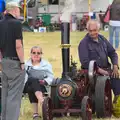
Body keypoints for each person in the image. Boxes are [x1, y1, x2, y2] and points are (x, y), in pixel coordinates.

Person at [78, 20, 120, 100]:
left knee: (116, 79)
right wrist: (99, 70)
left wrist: (115, 65)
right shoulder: (83, 43)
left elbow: (112, 53)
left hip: (106, 70)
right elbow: (85, 62)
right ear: (87, 30)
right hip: (92, 73)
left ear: (98, 29)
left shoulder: (102, 39)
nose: (93, 33)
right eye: (90, 31)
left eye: (95, 30)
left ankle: (116, 103)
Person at [0, 1, 25, 120]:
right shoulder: (16, 24)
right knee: (14, 96)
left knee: (5, 94)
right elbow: (18, 45)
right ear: (14, 10)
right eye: (19, 10)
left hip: (4, 61)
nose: (19, 12)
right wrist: (22, 63)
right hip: (15, 62)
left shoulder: (0, 24)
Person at [24, 46, 54, 120]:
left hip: (41, 86)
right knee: (32, 80)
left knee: (33, 87)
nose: (36, 54)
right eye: (34, 52)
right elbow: (23, 79)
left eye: (38, 53)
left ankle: (35, 114)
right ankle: (41, 100)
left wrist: (45, 81)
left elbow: (51, 77)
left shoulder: (46, 65)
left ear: (41, 54)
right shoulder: (25, 64)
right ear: (30, 54)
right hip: (26, 85)